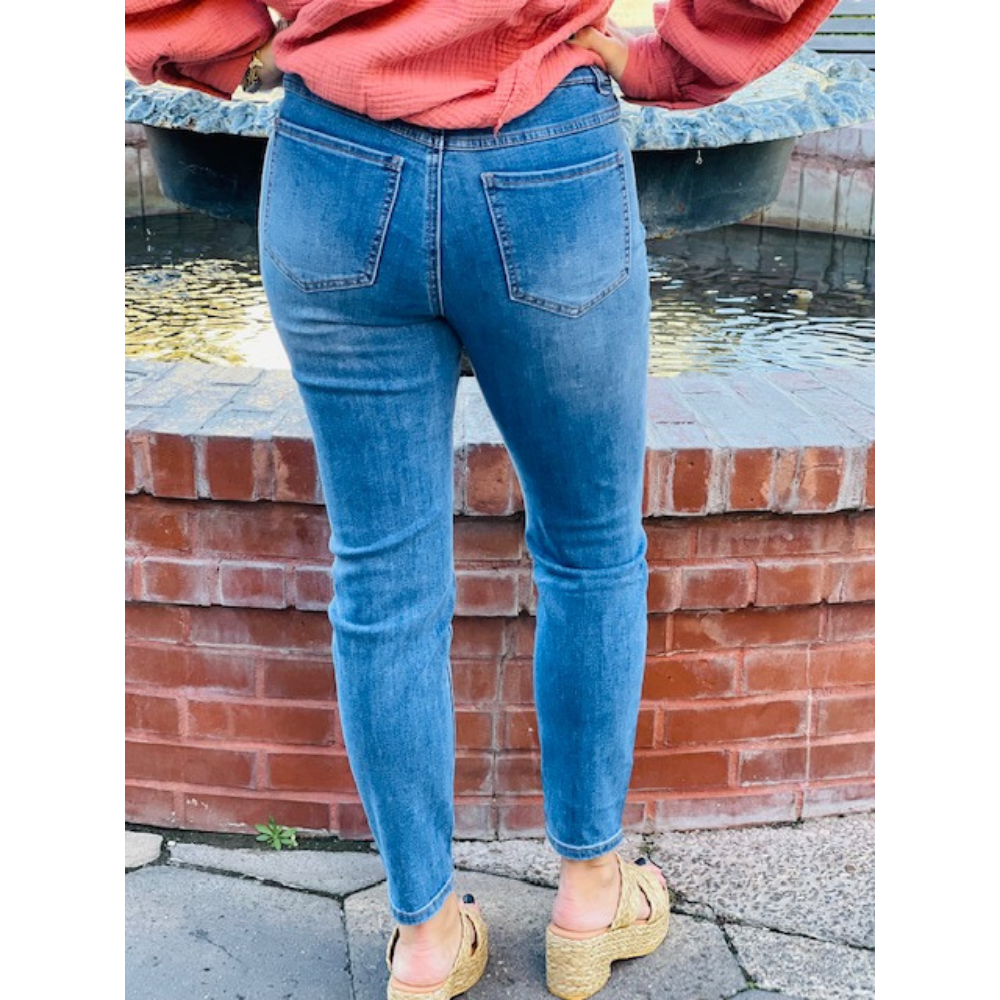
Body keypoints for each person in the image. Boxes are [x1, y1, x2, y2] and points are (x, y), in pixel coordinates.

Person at [125, 3, 838, 997]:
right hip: (544, 154)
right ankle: (589, 892)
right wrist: (670, 61)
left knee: (383, 576)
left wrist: (227, 40)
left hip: (335, 162)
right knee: (590, 549)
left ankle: (424, 933)